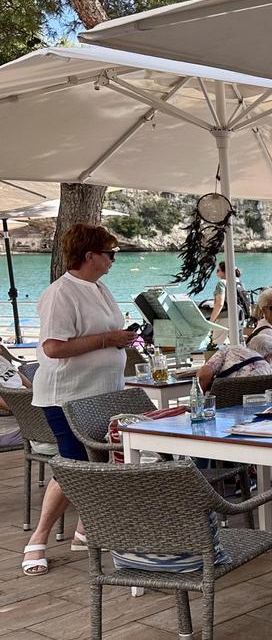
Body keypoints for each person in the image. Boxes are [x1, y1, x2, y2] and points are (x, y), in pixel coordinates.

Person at [22, 224, 138, 576]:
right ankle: (38, 539)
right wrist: (108, 340)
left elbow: (102, 333)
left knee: (99, 460)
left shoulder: (99, 288)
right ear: (90, 255)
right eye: (110, 253)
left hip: (100, 394)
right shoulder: (61, 293)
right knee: (73, 465)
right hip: (68, 395)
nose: (113, 260)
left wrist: (121, 339)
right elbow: (53, 347)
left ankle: (84, 531)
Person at [207, 261, 248, 344]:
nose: (216, 273)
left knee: (216, 344)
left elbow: (219, 304)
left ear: (225, 272)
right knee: (238, 342)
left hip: (225, 317)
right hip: (239, 316)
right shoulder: (239, 283)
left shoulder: (222, 283)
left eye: (218, 270)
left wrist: (211, 321)